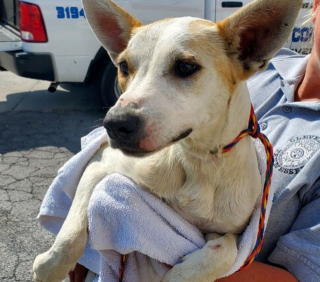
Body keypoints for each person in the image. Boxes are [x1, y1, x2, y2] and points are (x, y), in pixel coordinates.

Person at [41, 1, 320, 281]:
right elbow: (99, 169)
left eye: (185, 68)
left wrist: (211, 262)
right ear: (316, 7)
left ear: (250, 49)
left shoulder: (241, 57)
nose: (118, 117)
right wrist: (72, 248)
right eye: (126, 66)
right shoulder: (273, 68)